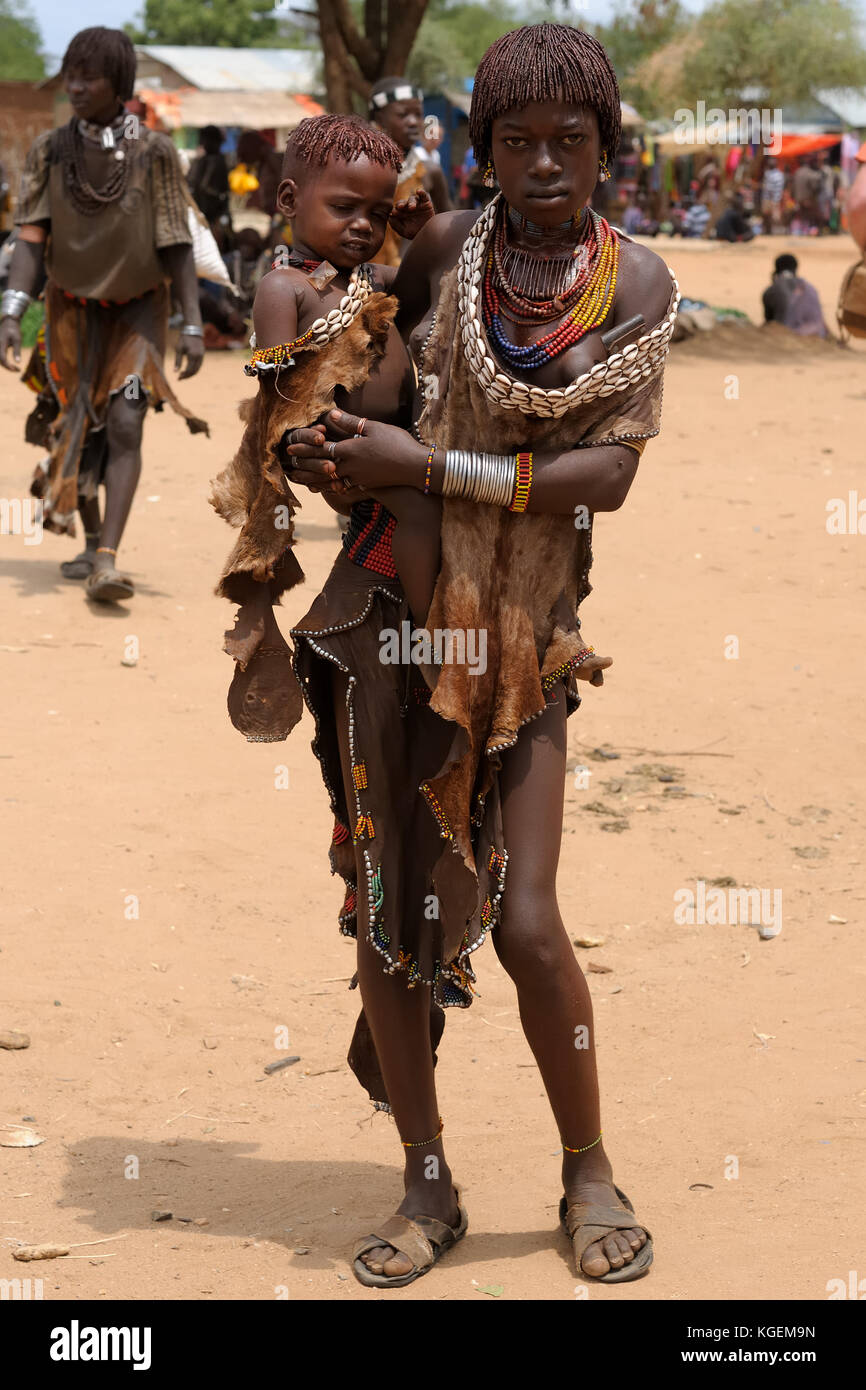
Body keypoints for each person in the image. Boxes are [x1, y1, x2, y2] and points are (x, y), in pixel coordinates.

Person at [278, 22, 677, 1288]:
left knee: (528, 923)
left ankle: (586, 1167)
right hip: (390, 620)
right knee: (385, 914)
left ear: (607, 148)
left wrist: (424, 466)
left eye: (570, 141)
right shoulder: (443, 248)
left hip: (517, 642)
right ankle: (426, 1178)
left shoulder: (639, 284)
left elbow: (601, 478)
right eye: (517, 141)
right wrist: (320, 438)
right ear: (483, 149)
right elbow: (365, 373)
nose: (545, 164)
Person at [0, 26, 207, 603]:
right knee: (78, 427)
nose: (75, 86)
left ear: (119, 83)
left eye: (87, 76)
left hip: (138, 314)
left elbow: (175, 241)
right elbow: (31, 238)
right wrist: (13, 310)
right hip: (71, 315)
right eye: (70, 75)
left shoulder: (154, 151)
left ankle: (109, 560)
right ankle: (91, 544)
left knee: (124, 420)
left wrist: (191, 322)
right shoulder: (49, 150)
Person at [369, 77, 450, 265]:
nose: (414, 122)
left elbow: (450, 225)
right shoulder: (362, 171)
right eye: (403, 115)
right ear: (380, 118)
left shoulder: (431, 171)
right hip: (363, 277)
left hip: (413, 277)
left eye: (418, 114)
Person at [762, 253, 828, 337]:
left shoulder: (770, 291)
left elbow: (769, 322)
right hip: (817, 335)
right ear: (796, 268)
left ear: (776, 269)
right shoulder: (810, 288)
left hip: (787, 337)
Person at [188, 125, 231, 233]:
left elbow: (223, 190)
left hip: (215, 211)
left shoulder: (217, 161)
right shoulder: (202, 161)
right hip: (201, 209)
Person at [761, 154, 785, 234]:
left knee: (775, 216)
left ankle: (778, 232)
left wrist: (776, 199)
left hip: (775, 198)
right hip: (766, 198)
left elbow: (779, 188)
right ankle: (768, 231)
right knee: (766, 215)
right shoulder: (766, 173)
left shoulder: (779, 174)